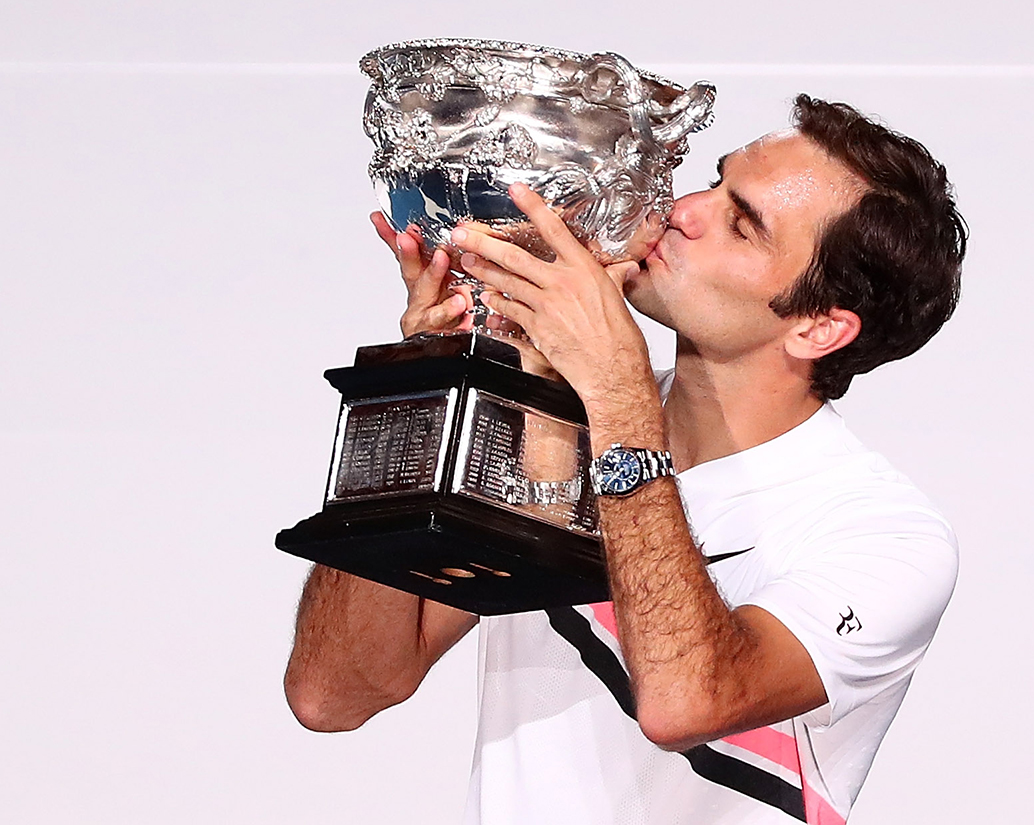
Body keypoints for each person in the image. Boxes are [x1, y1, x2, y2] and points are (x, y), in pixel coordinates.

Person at [284, 93, 967, 825]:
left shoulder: (885, 536)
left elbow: (685, 701)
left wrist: (615, 393)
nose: (684, 209)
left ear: (819, 328)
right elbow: (336, 691)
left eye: (742, 225)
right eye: (714, 179)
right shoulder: (555, 416)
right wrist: (431, 377)